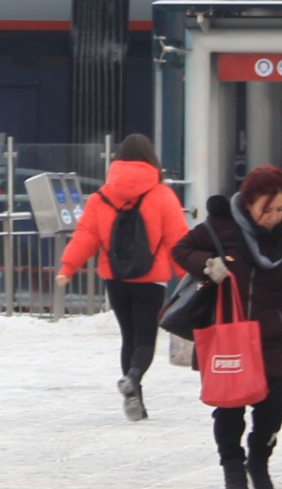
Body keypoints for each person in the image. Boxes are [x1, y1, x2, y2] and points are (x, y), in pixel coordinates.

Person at [174, 165, 282, 489]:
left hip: (272, 334)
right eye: (266, 209)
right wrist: (208, 263)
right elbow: (181, 250)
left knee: (274, 405)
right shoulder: (222, 225)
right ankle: (232, 468)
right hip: (228, 332)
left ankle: (258, 458)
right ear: (248, 202)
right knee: (229, 407)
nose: (274, 217)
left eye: (280, 208)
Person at [56, 132, 192, 422]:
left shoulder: (101, 197)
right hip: (151, 281)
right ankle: (133, 377)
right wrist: (188, 277)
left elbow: (85, 236)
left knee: (128, 337)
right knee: (145, 339)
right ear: (150, 158)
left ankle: (135, 399)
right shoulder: (162, 195)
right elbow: (177, 241)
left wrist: (67, 267)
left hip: (116, 280)